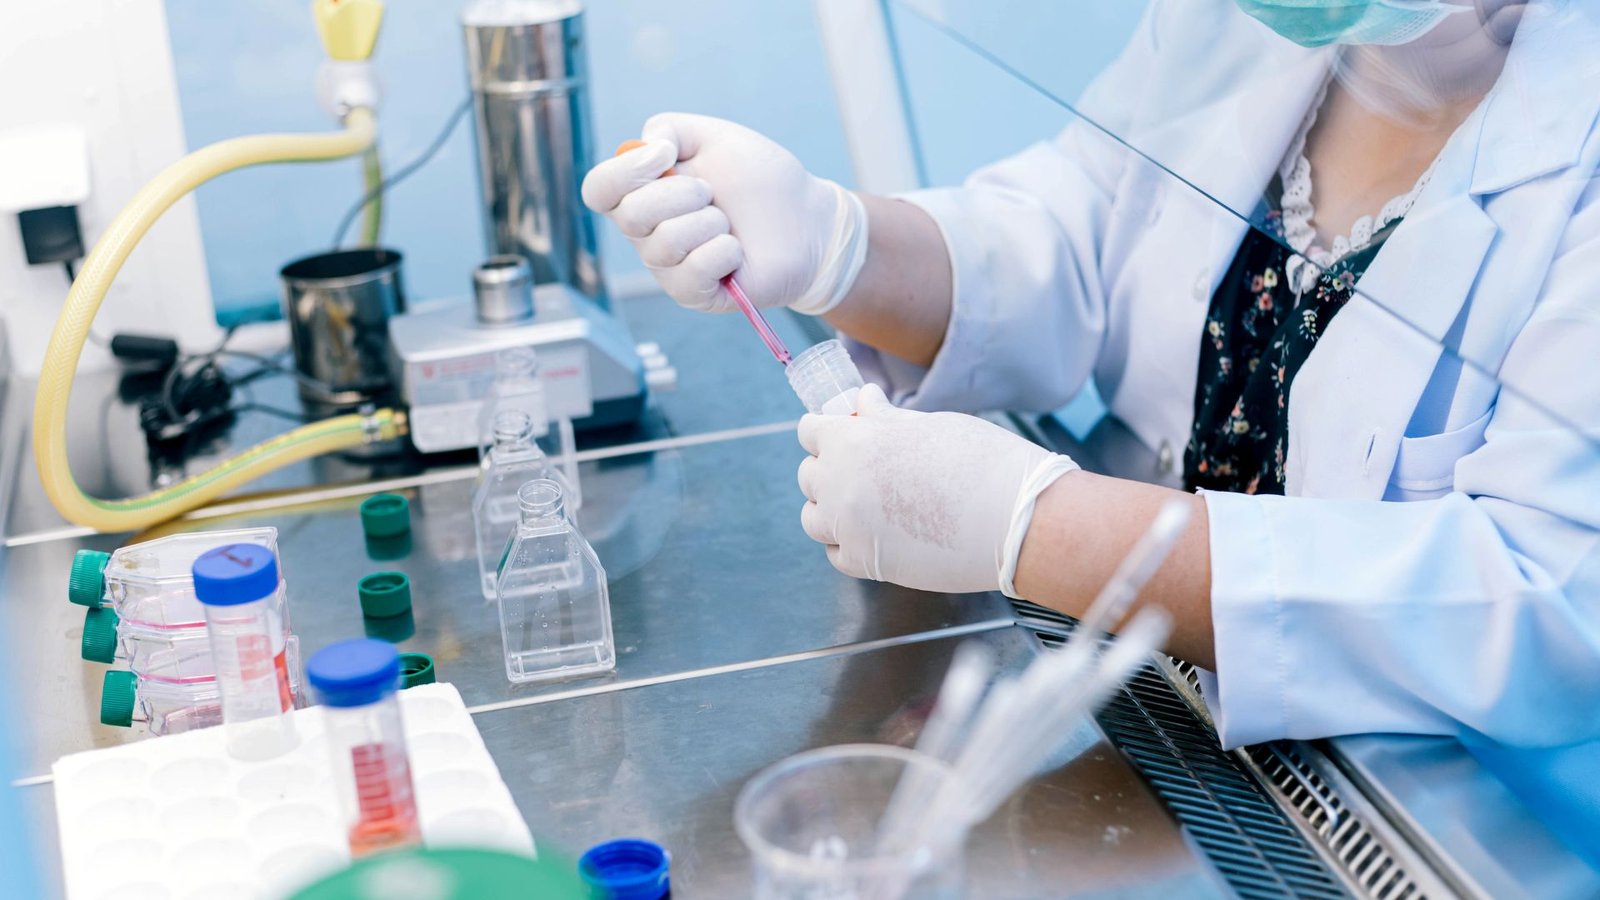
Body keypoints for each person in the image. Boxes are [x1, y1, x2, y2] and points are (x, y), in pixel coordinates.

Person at [581, 0, 1600, 757]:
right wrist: (836, 244)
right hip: (1155, 718)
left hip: (1431, 812)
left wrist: (1043, 526)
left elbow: (1553, 600)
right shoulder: (1253, 22)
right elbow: (1077, 235)